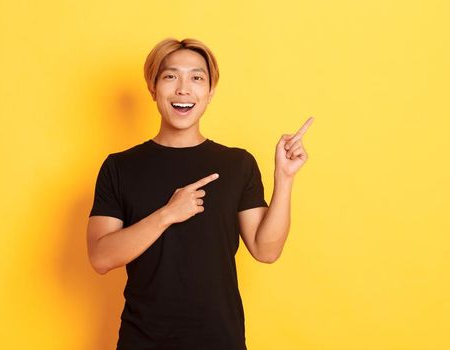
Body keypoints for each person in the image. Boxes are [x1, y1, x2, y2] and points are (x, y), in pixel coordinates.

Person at [87, 37, 313, 349]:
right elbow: (100, 257)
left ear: (210, 92)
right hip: (143, 340)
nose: (183, 89)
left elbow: (266, 250)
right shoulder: (120, 167)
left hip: (220, 340)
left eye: (196, 78)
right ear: (153, 88)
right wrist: (168, 214)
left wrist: (284, 179)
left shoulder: (237, 164)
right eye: (170, 76)